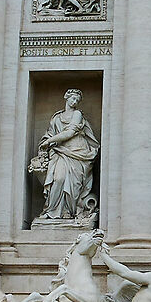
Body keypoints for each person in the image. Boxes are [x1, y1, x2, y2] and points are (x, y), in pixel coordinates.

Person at [31, 90, 100, 224]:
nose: (75, 102)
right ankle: (51, 211)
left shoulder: (77, 114)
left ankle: (69, 212)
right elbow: (50, 133)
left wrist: (49, 141)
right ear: (66, 98)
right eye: (73, 99)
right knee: (58, 178)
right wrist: (46, 142)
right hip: (60, 152)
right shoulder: (57, 118)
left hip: (78, 152)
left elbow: (70, 132)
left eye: (77, 100)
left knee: (74, 184)